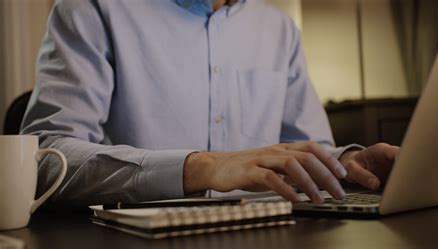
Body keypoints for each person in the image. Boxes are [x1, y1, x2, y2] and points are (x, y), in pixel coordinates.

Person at [21, 0, 399, 206]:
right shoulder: (93, 7)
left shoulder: (280, 29)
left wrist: (345, 165)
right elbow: (45, 159)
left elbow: (305, 152)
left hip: (269, 232)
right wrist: (200, 168)